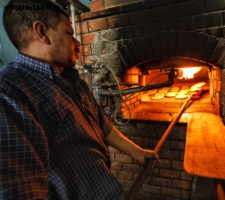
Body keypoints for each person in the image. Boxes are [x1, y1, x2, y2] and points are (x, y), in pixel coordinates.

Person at [0, 0, 158, 199]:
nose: (77, 44)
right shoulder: (10, 92)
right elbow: (19, 190)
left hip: (107, 190)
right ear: (41, 32)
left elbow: (103, 125)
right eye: (69, 33)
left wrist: (138, 152)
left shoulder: (73, 81)